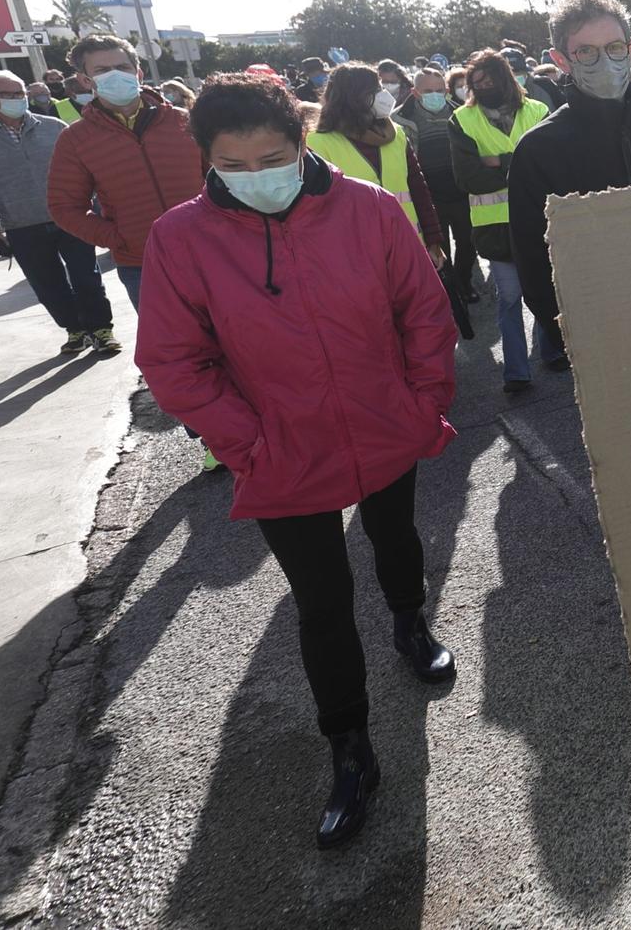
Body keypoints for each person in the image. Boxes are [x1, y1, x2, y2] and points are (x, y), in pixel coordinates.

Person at [134, 73, 458, 849]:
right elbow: (174, 361)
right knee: (321, 599)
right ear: (206, 161)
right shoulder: (181, 238)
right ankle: (350, 745)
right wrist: (247, 442)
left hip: (383, 424)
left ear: (302, 140)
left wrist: (420, 401)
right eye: (232, 165)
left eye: (272, 157)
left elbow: (424, 310)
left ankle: (411, 623)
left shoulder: (371, 211)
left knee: (397, 537)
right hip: (282, 451)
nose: (256, 178)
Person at [508, 0, 631, 360]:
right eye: (586, 51)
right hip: (603, 347)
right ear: (561, 60)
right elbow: (535, 265)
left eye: (614, 48)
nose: (605, 61)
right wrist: (579, 343)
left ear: (630, 49)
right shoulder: (538, 151)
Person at [0, 69, 116, 353]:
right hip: (21, 223)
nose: (17, 99)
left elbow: (87, 170)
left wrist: (100, 207)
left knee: (86, 276)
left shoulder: (53, 126)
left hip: (71, 217)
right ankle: (75, 329)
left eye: (20, 93)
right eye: (7, 95)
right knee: (48, 284)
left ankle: (101, 329)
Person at [47, 34, 203, 313]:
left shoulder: (185, 121)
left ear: (138, 72)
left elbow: (223, 178)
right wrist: (118, 237)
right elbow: (64, 207)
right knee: (172, 350)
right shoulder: (76, 139)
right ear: (85, 80)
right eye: (102, 71)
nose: (115, 75)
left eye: (122, 67)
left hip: (211, 255)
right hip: (142, 265)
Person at [448, 49, 554, 393]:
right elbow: (468, 178)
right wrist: (519, 164)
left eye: (489, 79)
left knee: (545, 290)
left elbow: (549, 166)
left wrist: (499, 162)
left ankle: (552, 351)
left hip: (541, 220)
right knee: (510, 298)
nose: (483, 86)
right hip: (495, 229)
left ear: (505, 78)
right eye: (477, 82)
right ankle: (516, 370)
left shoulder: (538, 110)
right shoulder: (463, 120)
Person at [307, 64, 445, 260]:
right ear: (353, 97)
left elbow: (418, 188)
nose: (384, 95)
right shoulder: (317, 144)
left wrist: (433, 240)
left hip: (410, 244)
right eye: (376, 89)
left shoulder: (396, 133)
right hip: (358, 256)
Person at [395, 66, 479, 302]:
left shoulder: (461, 113)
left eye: (440, 90)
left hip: (461, 192)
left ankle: (464, 282)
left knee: (467, 242)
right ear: (416, 92)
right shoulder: (400, 119)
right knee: (440, 248)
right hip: (428, 196)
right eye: (428, 90)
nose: (435, 94)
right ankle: (450, 290)